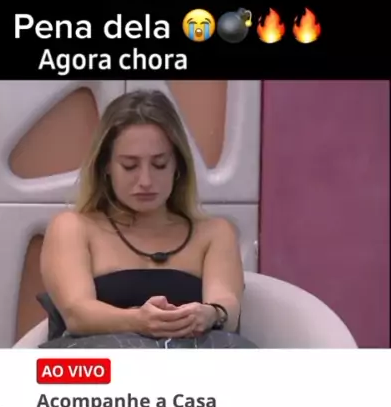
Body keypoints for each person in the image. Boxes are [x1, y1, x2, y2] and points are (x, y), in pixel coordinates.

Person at [38, 89, 257, 348]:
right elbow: (77, 314)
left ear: (178, 165)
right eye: (130, 166)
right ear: (106, 166)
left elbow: (227, 306)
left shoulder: (214, 233)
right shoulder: (73, 228)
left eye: (160, 164)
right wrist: (138, 321)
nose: (146, 181)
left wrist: (210, 314)